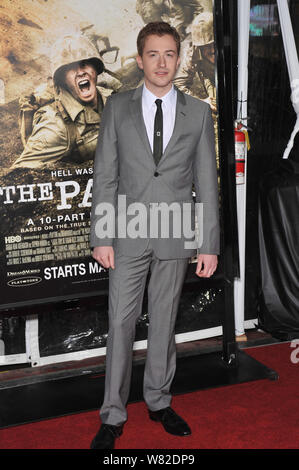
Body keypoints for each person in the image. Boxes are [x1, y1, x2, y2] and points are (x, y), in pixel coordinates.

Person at [90, 21, 220, 449]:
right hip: (125, 233)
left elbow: (206, 182)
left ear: (178, 58)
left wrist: (208, 244)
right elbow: (106, 176)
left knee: (164, 322)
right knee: (120, 322)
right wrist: (102, 235)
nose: (162, 62)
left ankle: (160, 402)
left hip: (175, 232)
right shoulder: (118, 107)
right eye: (153, 54)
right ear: (140, 58)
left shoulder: (199, 112)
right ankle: (112, 414)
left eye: (169, 54)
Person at [12, 35, 110, 169]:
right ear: (62, 79)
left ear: (95, 69)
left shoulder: (111, 99)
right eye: (71, 68)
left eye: (84, 64)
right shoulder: (56, 126)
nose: (80, 72)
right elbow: (19, 172)